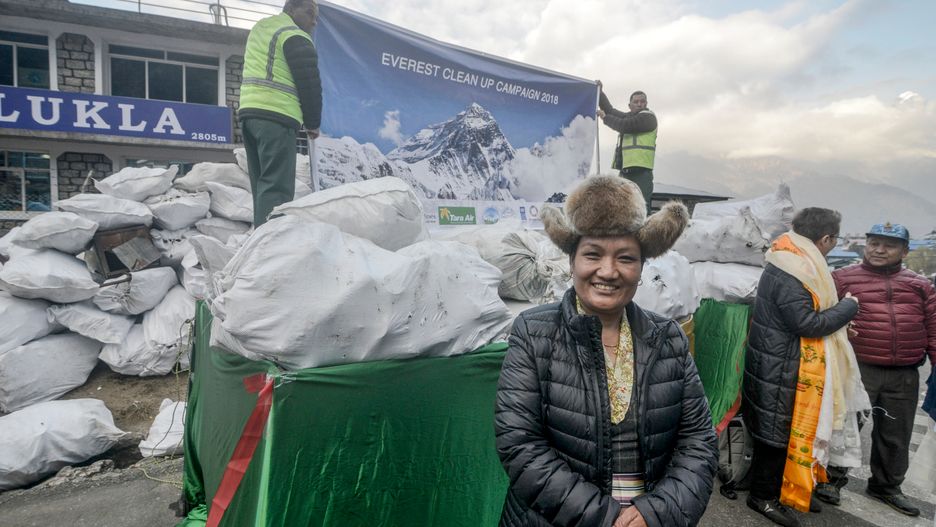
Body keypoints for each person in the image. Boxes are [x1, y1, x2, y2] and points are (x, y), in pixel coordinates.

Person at [495, 175, 718, 527]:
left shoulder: (668, 338)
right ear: (572, 262)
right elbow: (520, 444)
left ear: (642, 267)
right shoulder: (533, 332)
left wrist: (656, 512)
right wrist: (607, 518)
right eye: (593, 254)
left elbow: (698, 442)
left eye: (626, 258)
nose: (608, 271)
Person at [742, 207, 861, 527]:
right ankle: (763, 497)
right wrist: (849, 307)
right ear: (826, 239)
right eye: (834, 239)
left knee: (776, 431)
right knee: (775, 435)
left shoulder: (787, 257)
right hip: (781, 365)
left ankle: (781, 490)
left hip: (778, 359)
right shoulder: (794, 269)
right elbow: (807, 323)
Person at [815, 223, 936, 517]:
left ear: (905, 251)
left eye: (889, 245)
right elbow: (823, 314)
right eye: (874, 243)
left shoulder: (920, 286)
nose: (879, 250)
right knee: (845, 426)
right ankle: (830, 480)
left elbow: (933, 328)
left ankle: (887, 487)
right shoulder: (842, 278)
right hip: (858, 368)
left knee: (896, 433)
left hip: (904, 373)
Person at [238, 0, 322, 226]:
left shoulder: (262, 28)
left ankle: (260, 239)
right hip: (276, 117)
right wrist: (313, 123)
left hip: (249, 116)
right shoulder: (294, 35)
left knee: (262, 186)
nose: (314, 21)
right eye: (310, 13)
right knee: (277, 188)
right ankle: (271, 249)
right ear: (291, 9)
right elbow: (309, 83)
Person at [596, 84, 657, 213]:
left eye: (642, 101)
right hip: (626, 172)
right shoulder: (630, 116)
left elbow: (625, 125)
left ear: (646, 103)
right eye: (636, 102)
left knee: (641, 209)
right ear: (630, 105)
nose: (640, 104)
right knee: (622, 208)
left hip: (641, 173)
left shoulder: (648, 117)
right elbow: (610, 110)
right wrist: (600, 93)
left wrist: (605, 118)